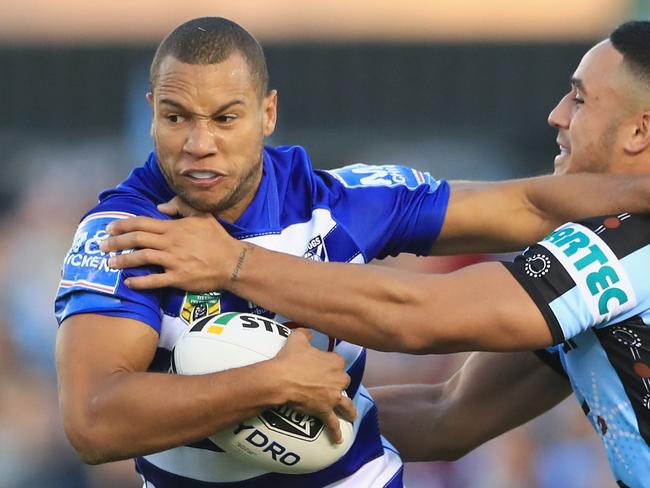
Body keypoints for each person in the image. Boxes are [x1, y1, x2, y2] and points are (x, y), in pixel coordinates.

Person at [100, 21, 650, 487]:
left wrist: (234, 264)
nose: (556, 114)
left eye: (578, 98)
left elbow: (421, 315)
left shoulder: (628, 239)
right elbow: (449, 415)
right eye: (177, 118)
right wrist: (235, 410)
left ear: (639, 129)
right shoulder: (590, 281)